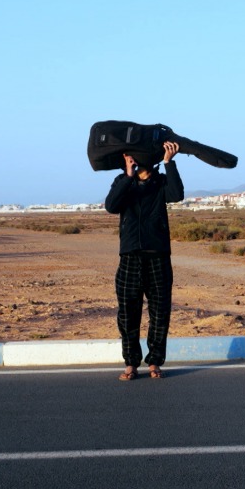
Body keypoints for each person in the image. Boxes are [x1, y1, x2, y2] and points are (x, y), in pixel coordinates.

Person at [104, 141, 184, 380]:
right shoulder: (122, 183)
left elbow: (177, 195)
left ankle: (155, 362)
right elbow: (111, 206)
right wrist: (128, 176)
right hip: (129, 257)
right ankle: (131, 363)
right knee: (128, 313)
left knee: (160, 312)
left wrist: (170, 164)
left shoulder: (161, 182)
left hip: (158, 256)